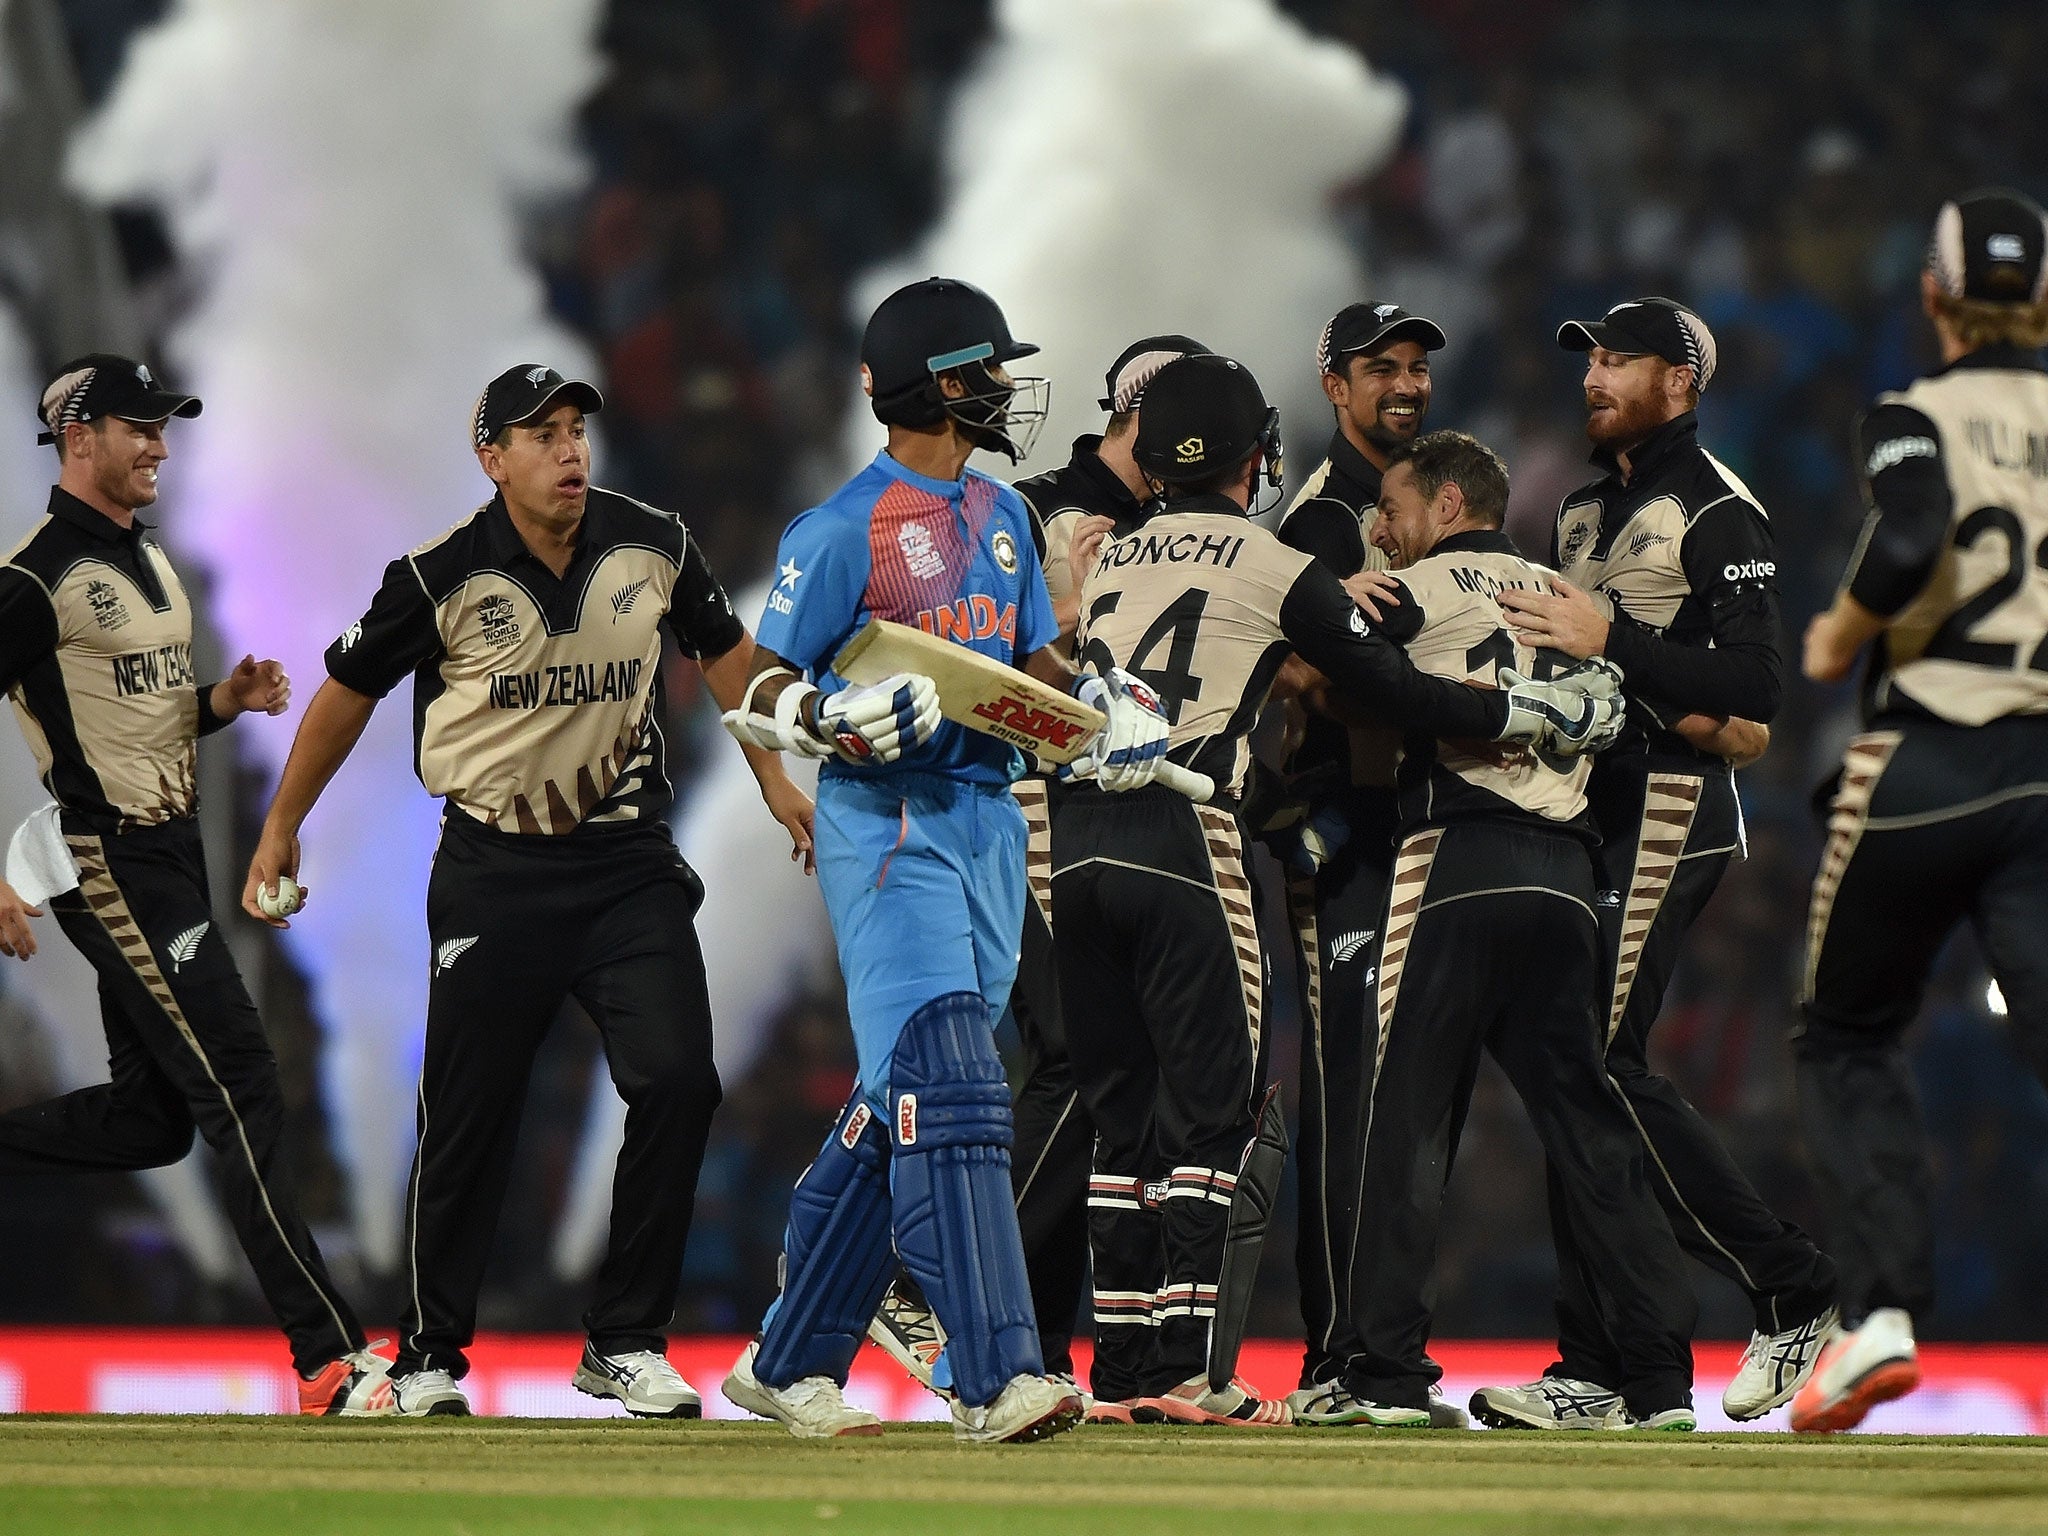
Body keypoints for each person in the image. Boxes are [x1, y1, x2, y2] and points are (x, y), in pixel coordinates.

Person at [1057, 359, 1624, 1427]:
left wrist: (1277, 804)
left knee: (1116, 1121)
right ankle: (1187, 1372)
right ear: (1244, 456)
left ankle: (1123, 1373)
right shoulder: (1272, 560)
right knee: (1212, 1111)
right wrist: (1527, 717)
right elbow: (1393, 690)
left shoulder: (1110, 557)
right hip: (1183, 841)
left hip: (1076, 848)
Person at [245, 365, 810, 1418]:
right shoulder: (437, 575)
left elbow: (724, 651)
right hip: (492, 870)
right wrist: (281, 826)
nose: (568, 452)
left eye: (575, 432)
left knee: (680, 1081)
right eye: (540, 436)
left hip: (624, 864)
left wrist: (774, 774)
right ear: (490, 459)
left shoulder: (652, 542)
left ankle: (627, 1342)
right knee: (468, 1113)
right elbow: (343, 695)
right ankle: (429, 1354)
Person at [719, 277, 1173, 1445]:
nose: (1008, 390)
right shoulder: (836, 532)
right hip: (887, 831)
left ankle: (782, 1361)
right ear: (935, 383)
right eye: (989, 373)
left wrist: (1101, 704)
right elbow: (754, 684)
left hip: (988, 827)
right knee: (957, 1086)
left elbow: (1030, 667)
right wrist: (826, 720)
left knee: (900, 1100)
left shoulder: (1009, 516)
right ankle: (995, 1373)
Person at [0, 354, 391, 1416]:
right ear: (80, 437)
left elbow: (138, 713)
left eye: (165, 426)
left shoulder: (148, 557)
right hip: (112, 861)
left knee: (153, 1121)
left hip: (172, 856)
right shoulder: (29, 580)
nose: (161, 445)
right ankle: (328, 1358)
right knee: (241, 1079)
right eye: (141, 427)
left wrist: (220, 700)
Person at [1473, 297, 1836, 1429]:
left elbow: (1757, 689)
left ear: (1679, 382)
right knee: (1569, 1075)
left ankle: (1789, 1283)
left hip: (1673, 808)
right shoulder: (1580, 510)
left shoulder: (1715, 510)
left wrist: (1608, 644)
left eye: (1620, 359)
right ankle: (1600, 1366)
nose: (1593, 375)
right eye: (1587, 356)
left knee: (1593, 1068)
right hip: (1587, 807)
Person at [1331, 429, 1698, 1431]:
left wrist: (1336, 618)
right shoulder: (1567, 598)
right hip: (1565, 877)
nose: (1381, 530)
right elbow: (1623, 723)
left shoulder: (1403, 591)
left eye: (1395, 510)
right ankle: (1659, 1380)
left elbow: (1345, 690)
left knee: (1403, 1118)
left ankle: (1386, 1377)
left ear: (1447, 506)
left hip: (1452, 858)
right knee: (1587, 1130)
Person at [865, 334, 1207, 1400]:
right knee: (1072, 1060)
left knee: (1099, 1078)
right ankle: (930, 1284)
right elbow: (994, 658)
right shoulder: (1029, 508)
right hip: (1028, 808)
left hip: (1096, 818)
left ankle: (1029, 1346)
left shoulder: (1142, 519)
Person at [1792, 188, 2048, 1432]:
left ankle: (1879, 1316)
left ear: (1934, 297)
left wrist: (1837, 635)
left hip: (1930, 758)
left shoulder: (1910, 416)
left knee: (1843, 1035)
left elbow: (1910, 535)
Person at [1268, 302, 1460, 1422]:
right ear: (1332, 386)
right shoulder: (1328, 517)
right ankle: (1335, 1360)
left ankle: (1371, 1352)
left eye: (1414, 367)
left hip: (1401, 820)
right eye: (1378, 367)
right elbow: (1316, 675)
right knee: (1348, 1083)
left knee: (1388, 1084)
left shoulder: (1409, 498)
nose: (1403, 382)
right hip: (1341, 820)